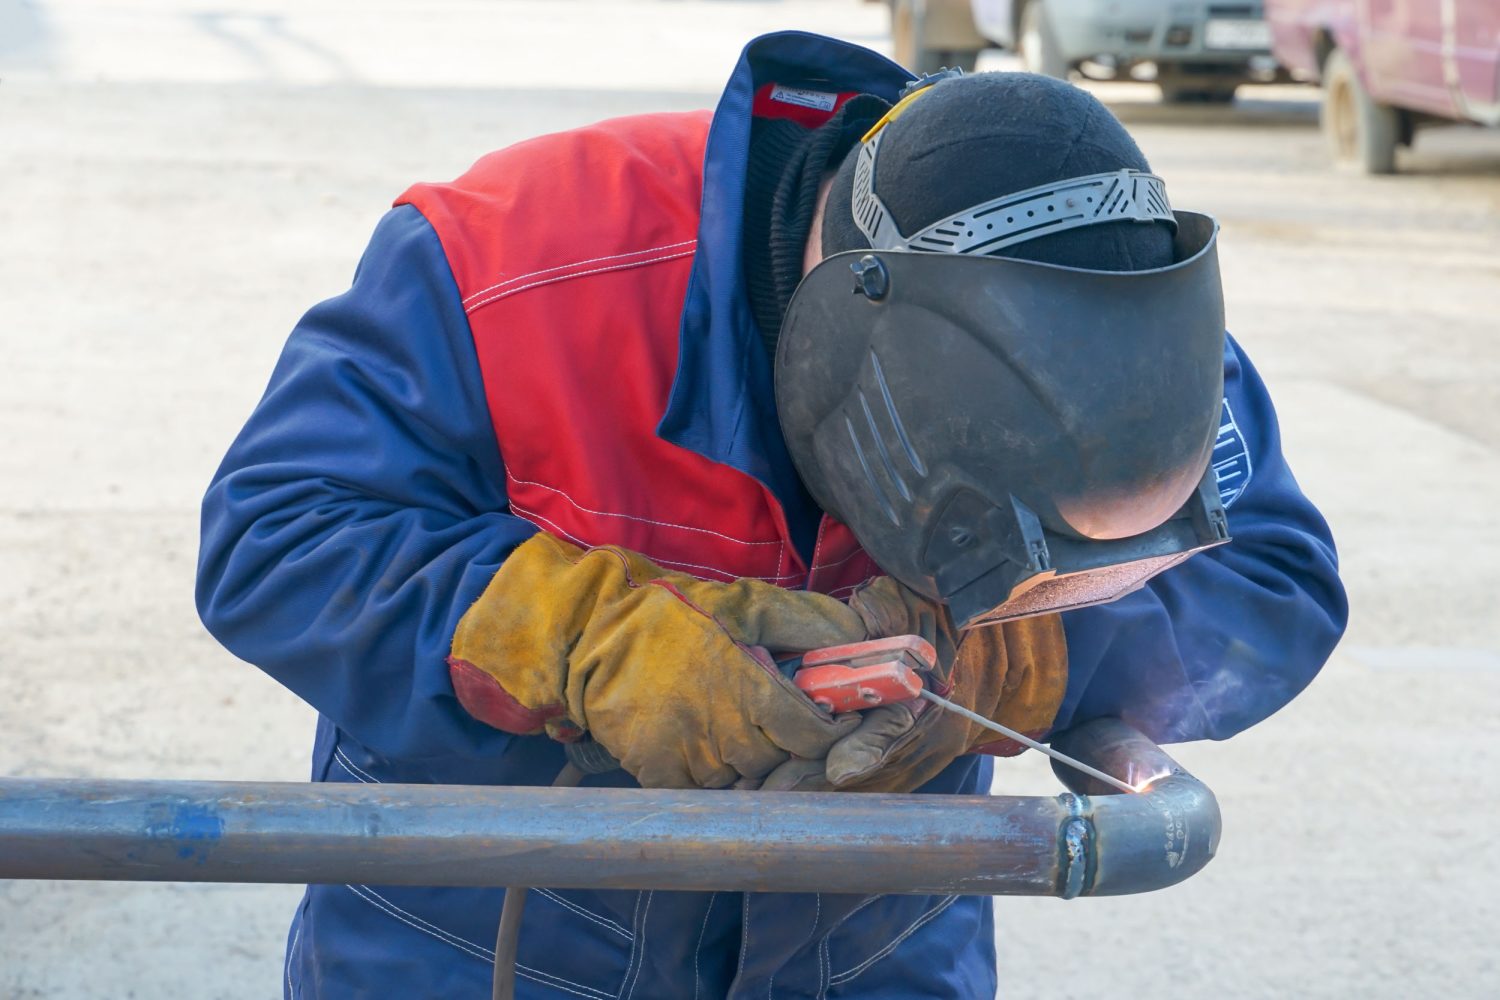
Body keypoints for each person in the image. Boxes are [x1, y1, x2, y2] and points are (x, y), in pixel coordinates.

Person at [197, 31, 1347, 1000]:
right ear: (838, 355)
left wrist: (1014, 666)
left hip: (873, 955)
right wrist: (590, 640)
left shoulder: (1100, 323)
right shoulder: (512, 256)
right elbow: (276, 536)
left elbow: (1270, 581)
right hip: (478, 949)